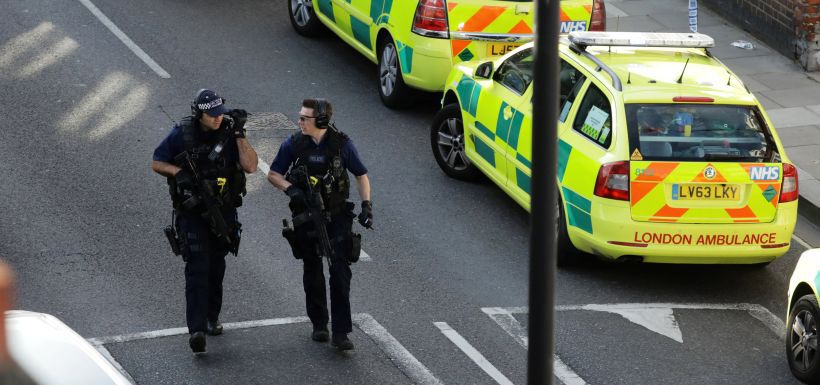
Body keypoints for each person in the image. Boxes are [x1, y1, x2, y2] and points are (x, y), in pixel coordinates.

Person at [151, 89, 258, 354]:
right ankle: (196, 329)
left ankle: (212, 317)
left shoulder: (230, 133)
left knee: (216, 268)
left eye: (220, 113)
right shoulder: (183, 134)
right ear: (200, 114)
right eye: (212, 115)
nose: (217, 119)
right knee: (197, 268)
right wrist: (180, 173)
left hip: (224, 212)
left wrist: (240, 135)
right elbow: (157, 162)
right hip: (193, 213)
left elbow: (252, 166)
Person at [268, 98, 371, 351]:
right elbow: (273, 174)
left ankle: (341, 332)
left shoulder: (341, 145)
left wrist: (367, 205)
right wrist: (291, 189)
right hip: (306, 215)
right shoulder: (294, 144)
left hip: (336, 215)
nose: (300, 121)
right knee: (312, 269)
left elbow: (361, 174)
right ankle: (319, 324)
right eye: (300, 117)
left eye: (305, 118)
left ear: (321, 120)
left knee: (339, 272)